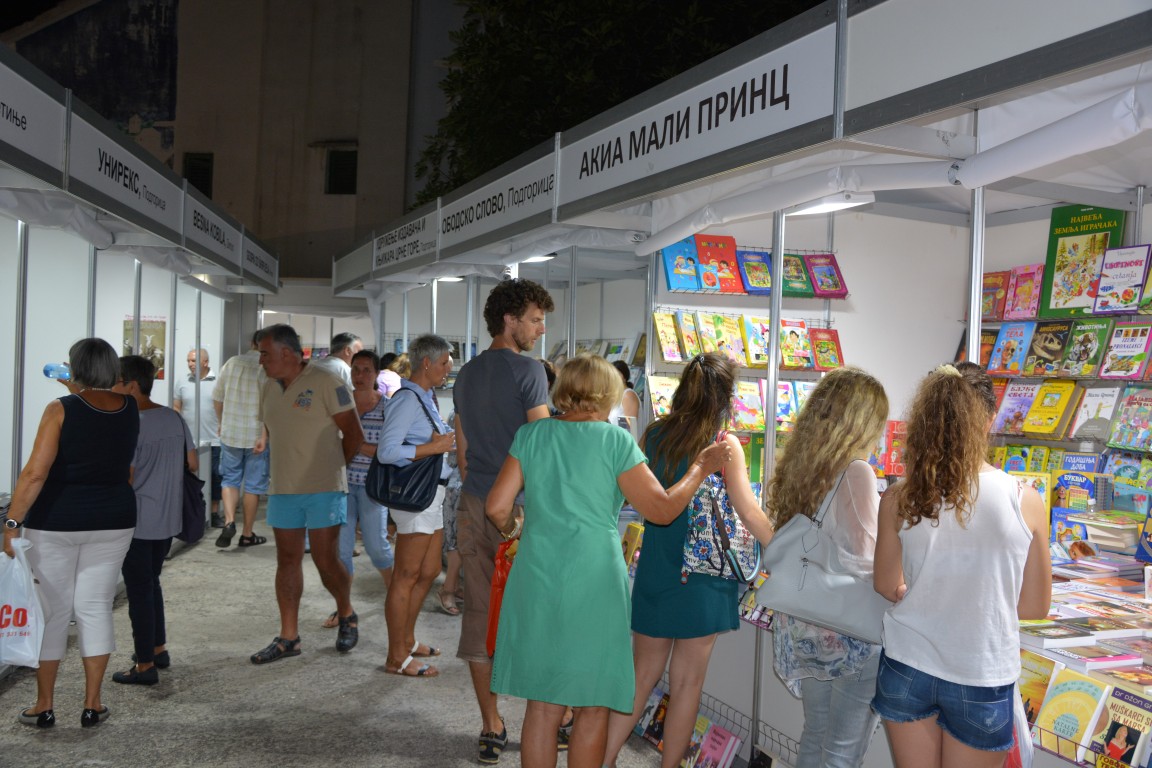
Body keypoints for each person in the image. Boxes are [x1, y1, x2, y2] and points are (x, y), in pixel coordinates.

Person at [486, 354, 732, 768]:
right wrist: (699, 468)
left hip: (537, 574)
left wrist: (517, 529)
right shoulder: (614, 441)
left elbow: (496, 507)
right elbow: (662, 510)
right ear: (607, 395)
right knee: (593, 704)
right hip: (595, 581)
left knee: (542, 707)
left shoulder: (531, 434)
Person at [872, 362, 1052, 768]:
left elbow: (885, 583)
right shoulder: (1024, 499)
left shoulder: (900, 496)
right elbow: (1035, 606)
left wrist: (929, 595)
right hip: (981, 671)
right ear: (989, 420)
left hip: (907, 663)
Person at [603, 353, 765, 768]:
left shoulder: (655, 435)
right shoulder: (723, 445)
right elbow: (748, 511)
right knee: (688, 685)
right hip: (704, 579)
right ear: (724, 397)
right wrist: (782, 548)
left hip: (656, 569)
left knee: (641, 677)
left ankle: (600, 759)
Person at [4, 338, 139, 729]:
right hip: (114, 519)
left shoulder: (60, 409)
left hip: (57, 521)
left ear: (74, 368)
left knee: (54, 611)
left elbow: (35, 473)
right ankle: (92, 704)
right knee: (95, 607)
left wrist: (11, 522)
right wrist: (79, 388)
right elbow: (101, 418)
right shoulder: (129, 408)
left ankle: (44, 705)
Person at [762, 366, 888, 768]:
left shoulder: (805, 465)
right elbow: (866, 559)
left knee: (815, 734)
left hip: (807, 623)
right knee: (842, 753)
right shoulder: (857, 471)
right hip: (849, 630)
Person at [452, 277, 554, 764]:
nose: (540, 329)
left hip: (475, 501)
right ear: (509, 320)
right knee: (536, 613)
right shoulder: (529, 371)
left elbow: (462, 449)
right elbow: (542, 442)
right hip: (521, 508)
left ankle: (490, 724)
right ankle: (546, 720)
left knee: (478, 611)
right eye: (534, 320)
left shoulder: (466, 374)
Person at [250, 324, 366, 664]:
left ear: (287, 353)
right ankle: (289, 637)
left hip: (323, 489)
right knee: (286, 560)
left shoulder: (326, 381)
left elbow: (354, 434)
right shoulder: (268, 386)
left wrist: (332, 470)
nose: (261, 360)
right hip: (283, 489)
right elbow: (274, 428)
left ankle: (346, 612)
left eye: (265, 353)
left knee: (324, 559)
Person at [111, 355, 198, 686]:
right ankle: (158, 649)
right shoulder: (173, 417)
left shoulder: (131, 424)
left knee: (139, 590)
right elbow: (192, 463)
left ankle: (144, 664)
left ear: (131, 385)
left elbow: (127, 477)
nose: (110, 389)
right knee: (151, 582)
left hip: (137, 520)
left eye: (115, 382)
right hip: (167, 518)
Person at [377, 334, 456, 677]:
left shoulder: (425, 398)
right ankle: (396, 657)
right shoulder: (406, 399)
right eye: (445, 363)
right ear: (427, 363)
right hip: (415, 497)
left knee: (428, 571)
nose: (448, 370)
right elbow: (387, 451)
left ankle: (407, 641)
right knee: (406, 575)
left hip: (432, 495)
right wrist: (432, 448)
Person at [321, 349, 395, 629]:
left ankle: (395, 598)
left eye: (367, 370)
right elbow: (328, 444)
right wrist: (360, 446)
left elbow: (387, 452)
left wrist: (354, 442)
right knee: (341, 552)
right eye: (356, 369)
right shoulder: (341, 403)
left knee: (377, 547)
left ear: (376, 374)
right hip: (340, 486)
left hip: (372, 487)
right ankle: (344, 608)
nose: (360, 375)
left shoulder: (388, 407)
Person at [212, 332, 270, 548]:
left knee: (230, 480)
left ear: (251, 343)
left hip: (231, 433)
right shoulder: (267, 367)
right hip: (257, 437)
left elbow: (217, 398)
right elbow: (270, 406)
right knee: (253, 487)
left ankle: (229, 522)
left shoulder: (232, 363)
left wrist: (221, 422)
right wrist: (265, 435)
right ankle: (247, 534)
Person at [174, 348, 222, 526]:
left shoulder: (218, 381)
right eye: (188, 361)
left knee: (215, 477)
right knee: (188, 477)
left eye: (193, 361)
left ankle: (214, 512)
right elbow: (176, 406)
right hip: (189, 440)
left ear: (205, 362)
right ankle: (189, 511)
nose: (190, 364)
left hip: (214, 439)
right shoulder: (182, 381)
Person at [608, 359, 641, 436]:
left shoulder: (628, 395)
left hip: (623, 441)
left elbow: (630, 429)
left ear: (624, 377)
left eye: (617, 374)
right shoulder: (614, 395)